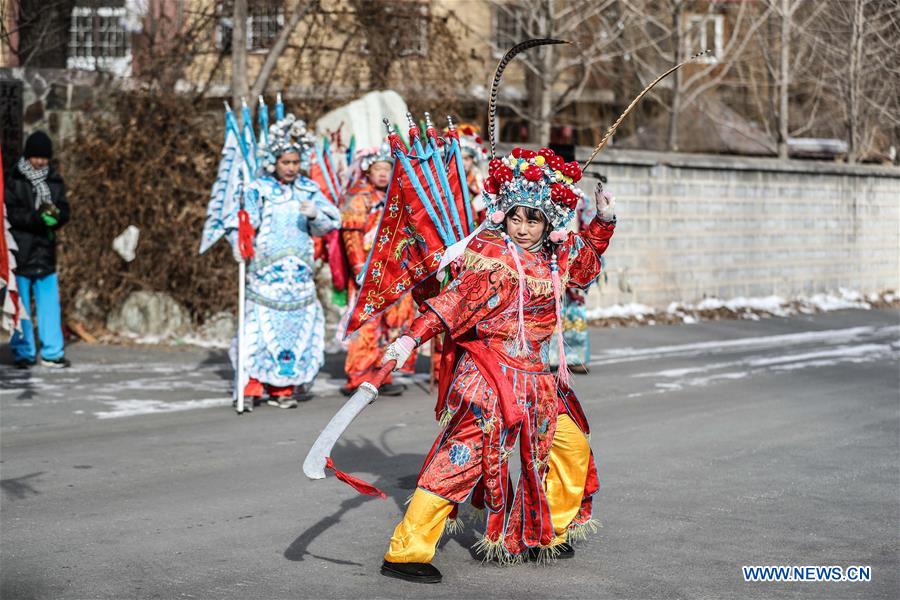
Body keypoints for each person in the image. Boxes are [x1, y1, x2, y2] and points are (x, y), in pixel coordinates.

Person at [377, 146, 616, 583]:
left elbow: (585, 266)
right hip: (490, 376)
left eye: (533, 220)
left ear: (549, 222)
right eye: (515, 218)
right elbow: (453, 303)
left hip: (538, 380)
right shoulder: (493, 256)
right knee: (461, 459)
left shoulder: (554, 256)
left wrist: (603, 222)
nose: (522, 229)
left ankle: (547, 532)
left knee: (570, 447)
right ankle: (406, 550)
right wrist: (410, 338)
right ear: (503, 215)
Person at [227, 114, 341, 410]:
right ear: (274, 162)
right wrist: (239, 245)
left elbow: (332, 222)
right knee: (258, 332)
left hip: (299, 277)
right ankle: (251, 386)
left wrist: (315, 214)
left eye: (294, 162)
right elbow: (243, 224)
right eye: (285, 163)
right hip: (266, 276)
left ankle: (283, 387)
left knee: (294, 332)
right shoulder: (259, 189)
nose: (291, 168)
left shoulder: (308, 189)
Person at [339, 146, 414, 397]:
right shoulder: (357, 197)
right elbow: (351, 236)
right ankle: (359, 374)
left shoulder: (397, 195)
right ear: (367, 171)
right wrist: (360, 268)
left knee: (390, 323)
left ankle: (384, 373)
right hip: (367, 269)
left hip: (392, 268)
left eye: (387, 169)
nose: (383, 174)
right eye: (378, 169)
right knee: (366, 322)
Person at [4, 131, 71, 369]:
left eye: (44, 158)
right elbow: (11, 213)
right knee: (20, 305)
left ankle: (53, 352)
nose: (41, 162)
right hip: (21, 251)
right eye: (36, 157)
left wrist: (57, 216)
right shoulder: (14, 179)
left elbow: (64, 208)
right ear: (28, 156)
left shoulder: (54, 180)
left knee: (50, 305)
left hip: (45, 250)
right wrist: (38, 217)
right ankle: (24, 352)